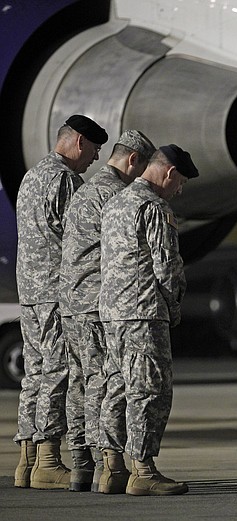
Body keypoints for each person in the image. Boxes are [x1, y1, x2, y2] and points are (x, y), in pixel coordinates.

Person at [13, 115, 108, 489]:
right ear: (79, 142)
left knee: (34, 373)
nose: (95, 159)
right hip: (57, 291)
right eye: (95, 150)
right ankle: (49, 460)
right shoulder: (66, 180)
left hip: (30, 292)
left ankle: (27, 460)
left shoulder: (32, 176)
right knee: (59, 371)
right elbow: (80, 238)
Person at [59, 130, 156, 492]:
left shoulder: (83, 190)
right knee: (107, 382)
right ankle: (109, 465)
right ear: (133, 161)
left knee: (81, 383)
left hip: (70, 303)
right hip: (99, 302)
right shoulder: (116, 195)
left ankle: (81, 466)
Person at [99, 144, 198, 496]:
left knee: (116, 387)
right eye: (180, 182)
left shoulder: (115, 203)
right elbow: (167, 266)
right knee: (149, 391)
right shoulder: (155, 207)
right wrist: (173, 308)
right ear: (169, 173)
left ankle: (111, 468)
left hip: (111, 313)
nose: (179, 190)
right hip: (143, 311)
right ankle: (143, 469)